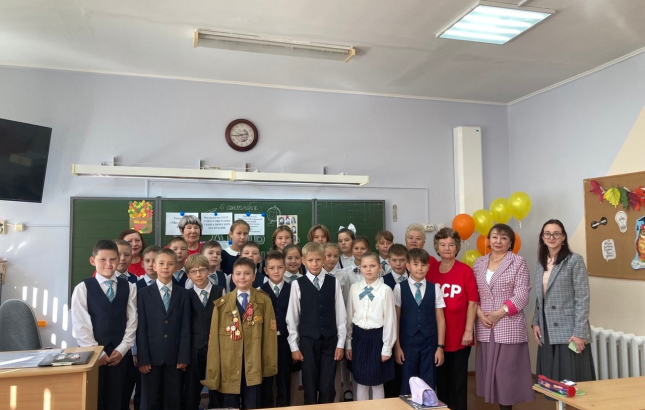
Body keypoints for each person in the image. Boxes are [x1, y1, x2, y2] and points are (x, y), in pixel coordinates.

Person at [202, 257, 278, 410]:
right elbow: (214, 342)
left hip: (254, 364)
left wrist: (268, 366)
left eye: (247, 273)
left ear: (254, 276)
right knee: (230, 405)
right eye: (238, 273)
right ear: (232, 277)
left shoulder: (264, 301)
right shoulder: (221, 305)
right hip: (229, 365)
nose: (242, 277)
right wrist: (214, 371)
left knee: (253, 404)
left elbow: (269, 338)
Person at [473, 223, 534, 410]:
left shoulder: (518, 262)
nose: (498, 241)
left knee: (505, 374)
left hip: (508, 323)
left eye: (503, 238)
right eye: (494, 237)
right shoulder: (478, 263)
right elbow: (472, 294)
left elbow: (522, 294)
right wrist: (478, 313)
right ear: (488, 240)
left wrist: (500, 313)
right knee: (490, 373)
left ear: (510, 242)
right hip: (485, 324)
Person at [71, 240, 138, 410]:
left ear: (118, 260)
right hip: (93, 355)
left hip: (120, 354)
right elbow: (80, 324)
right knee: (94, 397)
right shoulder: (83, 288)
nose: (108, 264)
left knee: (118, 398)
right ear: (92, 261)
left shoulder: (129, 287)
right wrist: (96, 351)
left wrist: (123, 348)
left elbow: (132, 320)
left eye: (113, 259)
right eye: (103, 259)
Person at [532, 219, 595, 384]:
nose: (551, 237)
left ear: (563, 237)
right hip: (546, 327)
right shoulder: (541, 261)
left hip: (569, 328)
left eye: (556, 234)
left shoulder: (574, 260)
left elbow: (582, 297)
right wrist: (536, 321)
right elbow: (540, 296)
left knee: (571, 379)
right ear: (542, 237)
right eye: (547, 234)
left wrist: (580, 332)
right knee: (551, 381)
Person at [287, 242, 347, 404]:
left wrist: (340, 344)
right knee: (309, 384)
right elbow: (293, 317)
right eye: (310, 260)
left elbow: (341, 314)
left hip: (330, 341)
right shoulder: (297, 284)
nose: (315, 264)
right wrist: (294, 346)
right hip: (307, 342)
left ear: (324, 259)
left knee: (328, 386)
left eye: (318, 260)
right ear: (303, 261)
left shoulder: (333, 282)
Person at [426, 228, 478, 410]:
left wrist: (468, 330)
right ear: (437, 248)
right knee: (441, 381)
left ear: (457, 247)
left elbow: (473, 302)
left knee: (458, 382)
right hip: (436, 338)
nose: (447, 248)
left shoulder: (465, 271)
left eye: (451, 244)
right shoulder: (430, 271)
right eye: (442, 244)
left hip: (459, 337)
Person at [137, 248, 191, 410]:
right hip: (151, 356)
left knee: (172, 399)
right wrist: (143, 358)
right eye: (161, 263)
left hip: (175, 357)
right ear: (154, 266)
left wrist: (183, 356)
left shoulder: (183, 294)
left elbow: (185, 327)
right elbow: (141, 328)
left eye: (170, 264)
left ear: (176, 267)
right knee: (150, 398)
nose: (165, 267)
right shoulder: (142, 294)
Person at [393, 248, 445, 394]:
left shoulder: (435, 288)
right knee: (407, 380)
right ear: (408, 266)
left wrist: (440, 347)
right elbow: (396, 319)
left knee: (428, 381)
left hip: (429, 343)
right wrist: (397, 346)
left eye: (423, 265)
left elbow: (440, 319)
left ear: (428, 267)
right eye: (415, 264)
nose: (420, 268)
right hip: (407, 342)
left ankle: (427, 404)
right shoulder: (399, 288)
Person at [345, 252, 396, 401]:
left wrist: (387, 347)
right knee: (361, 381)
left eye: (372, 266)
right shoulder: (355, 288)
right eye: (365, 266)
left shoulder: (385, 290)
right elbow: (349, 316)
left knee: (377, 381)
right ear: (360, 268)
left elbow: (390, 320)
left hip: (377, 339)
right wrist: (348, 343)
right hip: (359, 339)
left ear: (379, 267)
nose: (368, 269)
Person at [184, 254, 225, 410]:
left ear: (208, 271)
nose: (198, 274)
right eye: (193, 271)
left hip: (216, 347)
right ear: (188, 275)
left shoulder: (220, 291)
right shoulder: (186, 295)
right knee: (192, 385)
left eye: (202, 270)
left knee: (216, 382)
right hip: (194, 348)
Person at [260, 251, 293, 408]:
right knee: (266, 379)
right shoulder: (259, 291)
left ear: (285, 268)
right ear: (266, 270)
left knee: (284, 378)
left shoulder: (293, 289)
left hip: (285, 341)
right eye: (272, 268)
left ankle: (283, 405)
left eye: (280, 267)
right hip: (266, 342)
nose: (276, 271)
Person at [323, 242, 351, 402]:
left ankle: (337, 400)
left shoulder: (343, 275)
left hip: (338, 325)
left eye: (335, 256)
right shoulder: (316, 274)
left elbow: (345, 302)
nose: (332, 259)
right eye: (328, 255)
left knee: (337, 362)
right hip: (323, 325)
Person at [380, 243, 408, 398]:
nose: (398, 264)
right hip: (390, 332)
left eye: (402, 260)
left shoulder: (415, 277)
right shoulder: (383, 281)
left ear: (407, 260)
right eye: (395, 260)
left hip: (409, 331)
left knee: (408, 372)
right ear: (389, 261)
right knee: (392, 375)